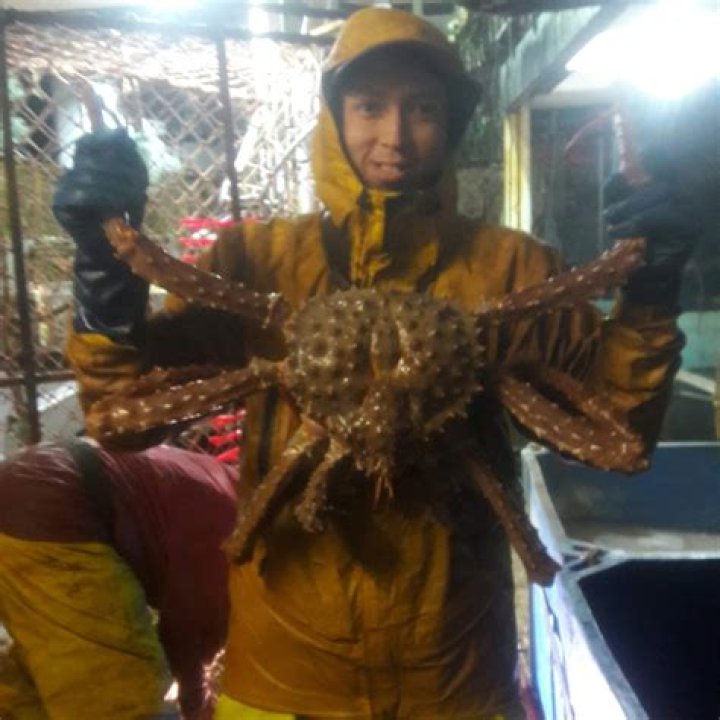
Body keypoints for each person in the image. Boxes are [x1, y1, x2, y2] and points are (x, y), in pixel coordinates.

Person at [53, 7, 700, 719]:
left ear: (452, 122)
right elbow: (120, 416)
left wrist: (652, 286)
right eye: (368, 107)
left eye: (422, 109)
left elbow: (620, 433)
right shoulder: (258, 261)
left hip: (455, 676)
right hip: (281, 673)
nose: (394, 136)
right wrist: (103, 277)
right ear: (334, 117)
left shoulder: (511, 269)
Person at [0, 440, 237, 719]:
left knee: (33, 686)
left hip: (34, 498)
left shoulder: (225, 486)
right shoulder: (240, 537)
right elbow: (187, 637)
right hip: (53, 513)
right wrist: (197, 708)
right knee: (123, 700)